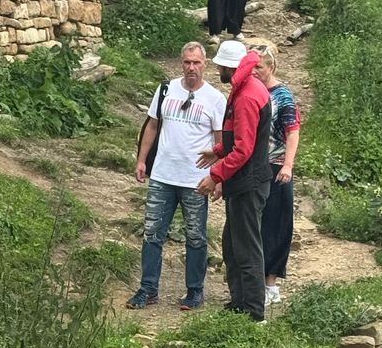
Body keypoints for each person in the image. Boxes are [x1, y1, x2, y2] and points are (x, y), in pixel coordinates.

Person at [126, 43, 227, 312]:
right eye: (186, 62)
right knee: (152, 233)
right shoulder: (166, 89)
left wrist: (218, 178)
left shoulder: (216, 99)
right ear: (180, 63)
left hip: (195, 179)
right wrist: (142, 160)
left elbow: (221, 142)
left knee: (195, 235)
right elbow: (152, 125)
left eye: (196, 63)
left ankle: (194, 291)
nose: (191, 68)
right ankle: (148, 289)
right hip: (162, 174)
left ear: (205, 64)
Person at [197, 40, 272, 323]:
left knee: (247, 247)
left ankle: (254, 313)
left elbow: (243, 149)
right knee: (232, 244)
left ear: (231, 67)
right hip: (245, 181)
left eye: (219, 65)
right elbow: (239, 137)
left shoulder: (247, 97)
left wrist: (215, 175)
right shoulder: (246, 88)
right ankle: (239, 303)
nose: (217, 69)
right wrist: (217, 151)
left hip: (248, 184)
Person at [251, 42, 300, 308]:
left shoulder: (282, 96)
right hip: (254, 166)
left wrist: (288, 165)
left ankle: (271, 283)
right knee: (254, 225)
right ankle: (253, 280)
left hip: (276, 165)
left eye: (259, 66)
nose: (254, 71)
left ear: (271, 67)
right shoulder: (249, 91)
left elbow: (292, 130)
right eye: (252, 66)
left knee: (277, 224)